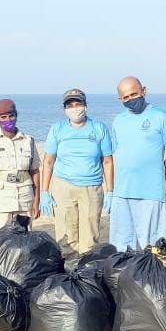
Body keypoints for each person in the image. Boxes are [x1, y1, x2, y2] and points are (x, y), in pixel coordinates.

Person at [39, 88, 114, 257]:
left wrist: (110, 191)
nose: (74, 108)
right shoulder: (57, 129)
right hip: (63, 186)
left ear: (85, 106)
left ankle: (86, 275)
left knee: (90, 237)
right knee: (66, 236)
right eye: (70, 105)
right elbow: (48, 160)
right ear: (65, 108)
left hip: (92, 187)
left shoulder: (98, 128)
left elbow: (107, 161)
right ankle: (68, 274)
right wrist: (44, 191)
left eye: (78, 103)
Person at [109, 77, 166, 251]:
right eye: (126, 97)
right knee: (122, 246)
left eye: (134, 94)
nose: (131, 99)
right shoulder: (118, 121)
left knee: (151, 246)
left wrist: (157, 178)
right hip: (122, 192)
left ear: (143, 91)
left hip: (151, 193)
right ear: (120, 99)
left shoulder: (161, 117)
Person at [0, 99, 41, 236]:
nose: (8, 120)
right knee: (0, 241)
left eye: (11, 116)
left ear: (16, 115)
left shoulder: (28, 141)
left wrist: (36, 201)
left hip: (23, 200)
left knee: (24, 243)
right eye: (3, 117)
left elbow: (34, 172)